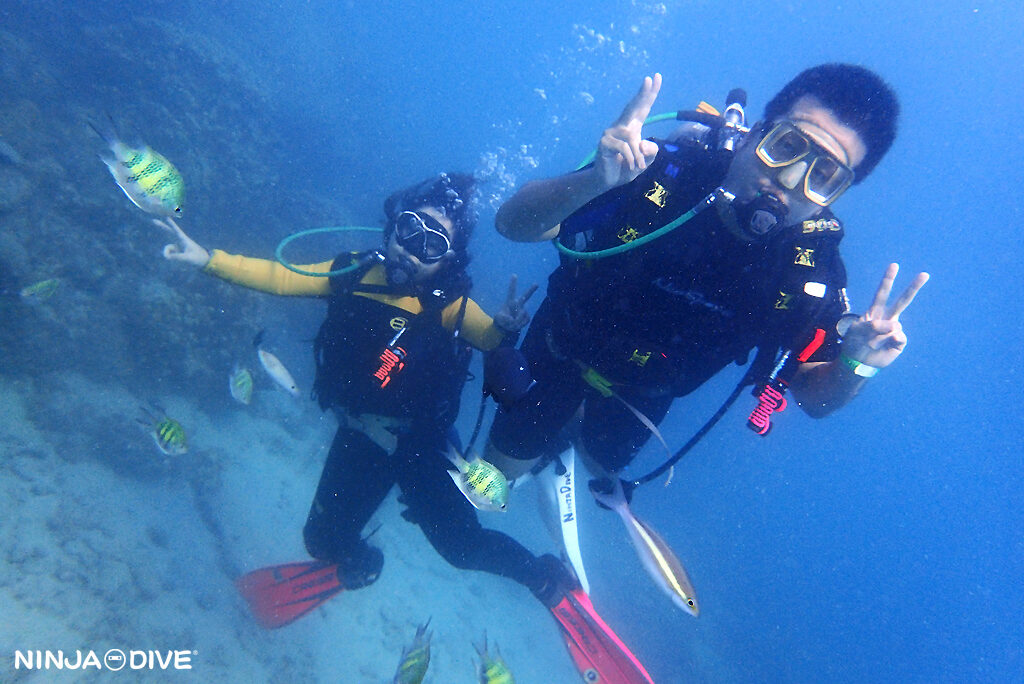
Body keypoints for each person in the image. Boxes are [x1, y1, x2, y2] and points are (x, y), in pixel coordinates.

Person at [155, 173, 655, 684]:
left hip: (422, 447)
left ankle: (545, 579)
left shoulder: (450, 306)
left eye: (432, 244)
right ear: (392, 226)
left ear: (449, 258)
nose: (412, 252)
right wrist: (207, 259)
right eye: (409, 231)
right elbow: (281, 277)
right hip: (359, 434)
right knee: (321, 542)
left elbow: (490, 339)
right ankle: (361, 562)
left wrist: (505, 325)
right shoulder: (351, 272)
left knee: (462, 549)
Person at [486, 64, 930, 484]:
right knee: (495, 477)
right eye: (787, 146)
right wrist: (594, 183)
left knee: (601, 465)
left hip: (646, 394)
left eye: (824, 174)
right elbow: (512, 224)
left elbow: (815, 399)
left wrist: (855, 366)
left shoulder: (809, 265)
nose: (790, 180)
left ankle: (572, 431)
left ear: (833, 196)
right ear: (756, 131)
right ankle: (551, 431)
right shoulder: (664, 172)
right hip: (560, 348)